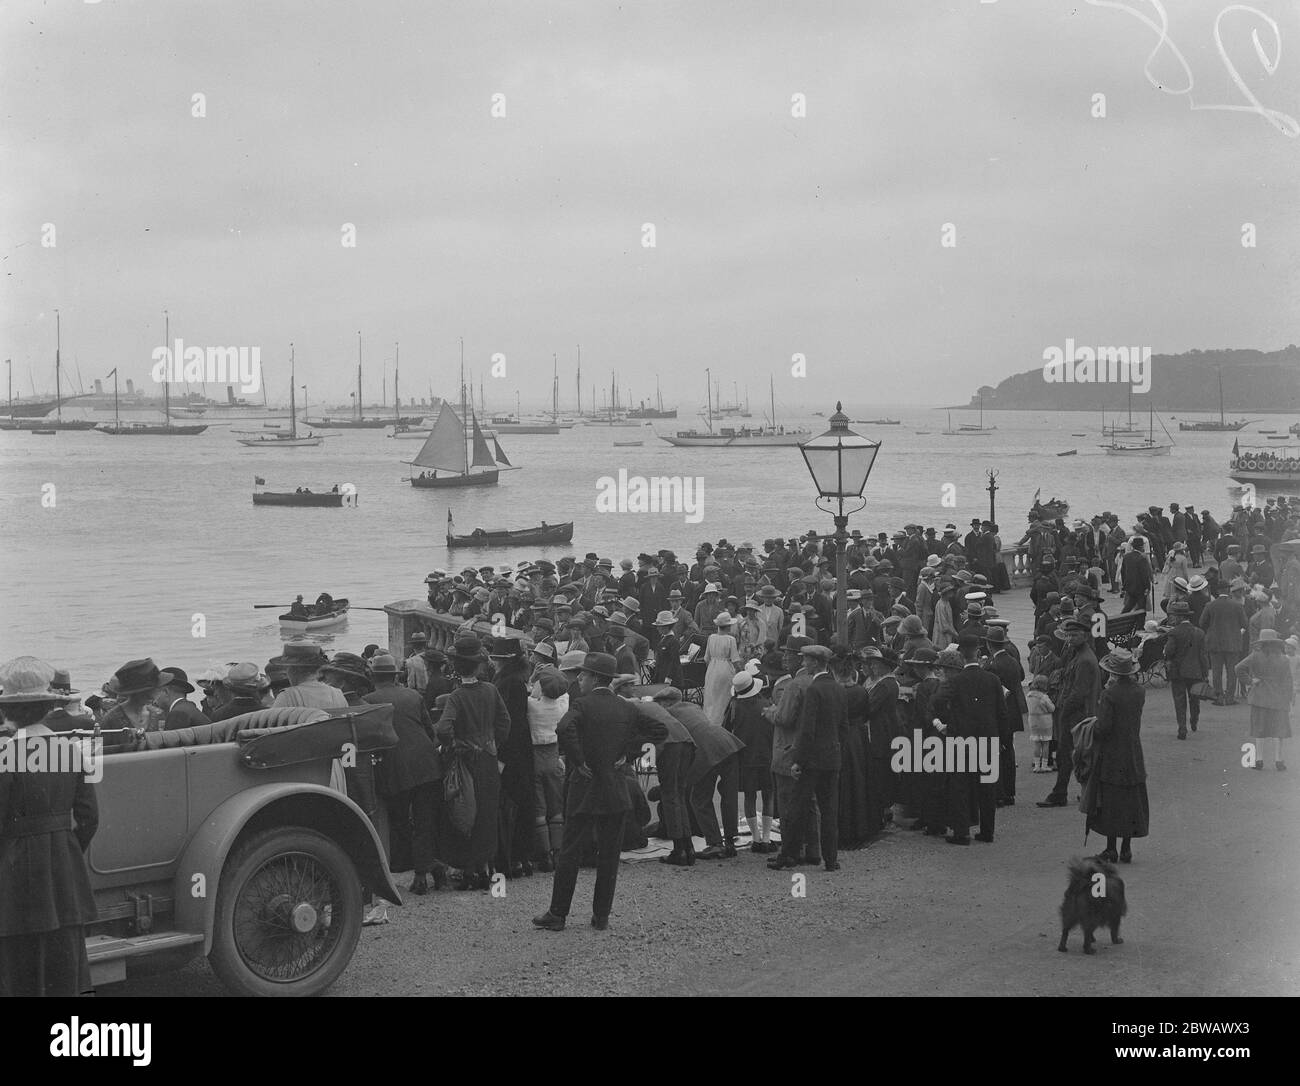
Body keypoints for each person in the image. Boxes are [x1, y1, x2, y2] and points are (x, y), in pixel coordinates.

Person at [533, 653, 668, 931]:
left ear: (594, 677)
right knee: (609, 855)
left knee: (570, 852)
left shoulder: (582, 704)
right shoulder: (627, 708)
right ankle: (601, 916)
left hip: (584, 787)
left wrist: (579, 760)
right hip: (616, 789)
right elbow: (659, 730)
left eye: (582, 675)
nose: (579, 679)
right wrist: (629, 754)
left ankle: (558, 914)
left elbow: (563, 727)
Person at [0, 657, 99, 997]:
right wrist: (66, 848)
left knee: (19, 969)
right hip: (64, 870)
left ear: (8, 712)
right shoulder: (71, 752)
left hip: (15, 875)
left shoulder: (6, 755)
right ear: (46, 707)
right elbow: (89, 818)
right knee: (64, 966)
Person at [363, 654, 445, 895]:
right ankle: (426, 868)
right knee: (424, 821)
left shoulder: (368, 702)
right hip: (426, 764)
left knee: (400, 823)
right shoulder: (413, 695)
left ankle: (423, 868)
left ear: (373, 677)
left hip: (394, 769)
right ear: (395, 676)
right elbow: (430, 731)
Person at [436, 635, 512, 891]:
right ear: (478, 665)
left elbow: (444, 729)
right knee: (488, 813)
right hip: (488, 760)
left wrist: (455, 744)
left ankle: (468, 870)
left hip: (466, 761)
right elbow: (505, 723)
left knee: (465, 812)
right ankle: (486, 868)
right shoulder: (491, 690)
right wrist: (493, 743)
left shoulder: (456, 696)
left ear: (457, 667)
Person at [769, 644, 844, 871]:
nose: (803, 663)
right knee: (828, 810)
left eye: (805, 660)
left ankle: (788, 855)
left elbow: (807, 730)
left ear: (814, 662)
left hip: (811, 760)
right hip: (832, 757)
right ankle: (831, 859)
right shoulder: (838, 688)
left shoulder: (814, 689)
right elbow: (844, 726)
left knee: (796, 808)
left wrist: (798, 761)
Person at [932, 632, 1009, 844]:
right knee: (987, 787)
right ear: (978, 652)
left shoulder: (956, 681)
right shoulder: (993, 680)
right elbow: (1002, 713)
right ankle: (987, 831)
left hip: (962, 739)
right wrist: (1001, 739)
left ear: (961, 654)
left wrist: (947, 721)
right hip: (988, 738)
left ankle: (961, 832)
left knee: (961, 787)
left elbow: (937, 700)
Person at [1086, 650, 1149, 863]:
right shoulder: (1139, 691)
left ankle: (1111, 848)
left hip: (1113, 754)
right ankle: (1126, 848)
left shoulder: (1109, 694)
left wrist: (1091, 726)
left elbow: (1103, 728)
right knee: (1131, 800)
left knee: (1112, 801)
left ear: (1113, 673)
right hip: (1133, 751)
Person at [1038, 619, 1100, 808]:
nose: (1070, 639)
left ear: (1085, 636)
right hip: (1076, 712)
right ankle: (1066, 792)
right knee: (1071, 755)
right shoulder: (1079, 654)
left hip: (1077, 714)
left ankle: (1062, 793)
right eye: (1069, 635)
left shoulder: (1085, 660)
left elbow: (1079, 693)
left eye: (1075, 635)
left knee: (1072, 755)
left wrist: (1062, 711)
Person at [488, 638, 536, 879]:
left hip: (512, 753)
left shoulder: (509, 683)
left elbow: (510, 723)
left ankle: (513, 858)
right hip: (521, 751)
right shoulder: (516, 680)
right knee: (521, 805)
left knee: (510, 807)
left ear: (502, 661)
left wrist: (501, 756)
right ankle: (521, 857)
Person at [724, 668, 774, 852]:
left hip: (745, 756)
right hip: (767, 754)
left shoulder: (734, 706)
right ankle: (767, 838)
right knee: (769, 794)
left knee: (749, 796)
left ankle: (756, 839)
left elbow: (726, 730)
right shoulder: (767, 704)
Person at [526, 662, 569, 872]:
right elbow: (563, 694)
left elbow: (528, 694)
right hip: (553, 755)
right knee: (556, 805)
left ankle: (544, 855)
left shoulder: (531, 705)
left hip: (534, 756)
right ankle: (558, 852)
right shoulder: (562, 705)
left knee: (539, 807)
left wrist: (533, 679)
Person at [1235, 630, 1292, 772]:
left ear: (1262, 643)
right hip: (1278, 698)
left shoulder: (1255, 656)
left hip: (1259, 696)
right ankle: (1278, 760)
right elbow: (1288, 682)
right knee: (1279, 730)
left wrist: (1250, 681)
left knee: (1259, 729)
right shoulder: (1284, 659)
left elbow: (1238, 668)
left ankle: (1259, 760)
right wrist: (1289, 699)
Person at [1163, 599, 1209, 740]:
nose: (1171, 618)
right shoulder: (1199, 633)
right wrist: (1205, 673)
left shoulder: (1174, 633)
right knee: (1194, 699)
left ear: (1180, 617)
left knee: (1179, 700)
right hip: (1195, 672)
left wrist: (1165, 651)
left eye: (1173, 615)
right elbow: (1203, 656)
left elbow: (1169, 652)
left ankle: (1182, 728)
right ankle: (1194, 720)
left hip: (1178, 672)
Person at [1200, 582, 1249, 705]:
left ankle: (1219, 697)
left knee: (1216, 672)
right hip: (1233, 642)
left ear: (1217, 591)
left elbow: (1202, 623)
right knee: (1232, 672)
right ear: (1228, 590)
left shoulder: (1210, 605)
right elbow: (1244, 624)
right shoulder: (1237, 606)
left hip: (1215, 643)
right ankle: (1230, 697)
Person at [271, 640, 349, 710]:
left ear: (293, 670)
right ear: (318, 668)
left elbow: (271, 723)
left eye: (287, 667)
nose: (287, 672)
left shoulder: (287, 697)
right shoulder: (338, 694)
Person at [702, 612, 741, 725]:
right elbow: (735, 660)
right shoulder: (730, 639)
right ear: (728, 626)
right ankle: (721, 723)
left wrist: (711, 668)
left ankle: (709, 722)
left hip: (712, 669)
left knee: (711, 697)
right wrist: (739, 672)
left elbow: (706, 658)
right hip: (726, 670)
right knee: (723, 698)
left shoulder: (711, 637)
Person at [1026, 674, 1055, 773]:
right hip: (1044, 722)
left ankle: (1037, 765)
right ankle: (1044, 765)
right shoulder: (1044, 697)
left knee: (1037, 744)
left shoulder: (1029, 696)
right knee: (1046, 744)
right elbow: (1052, 708)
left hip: (1033, 721)